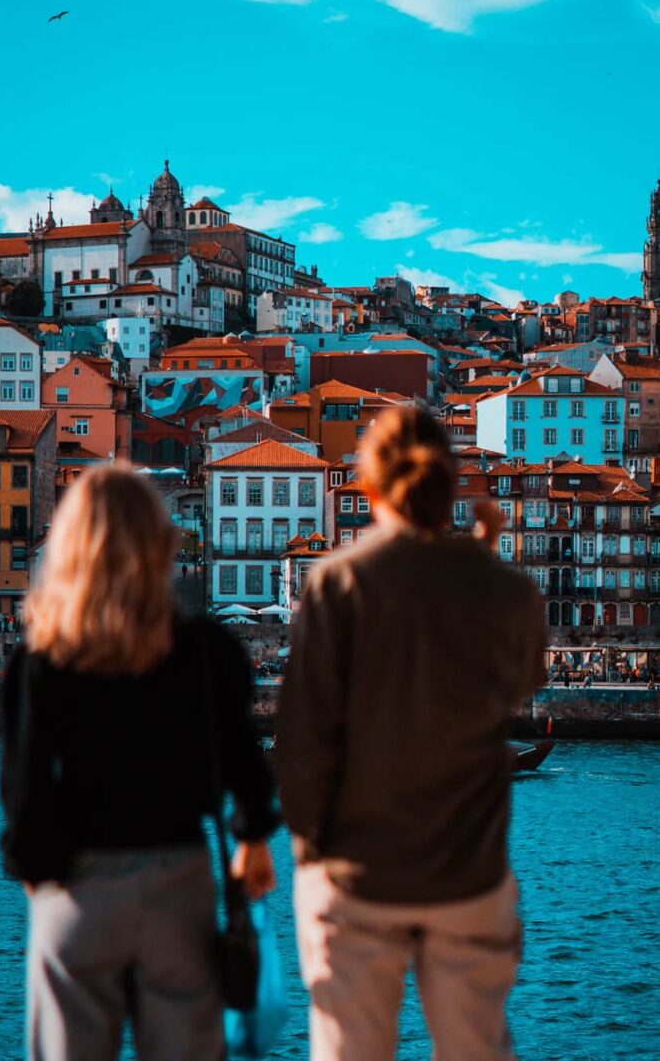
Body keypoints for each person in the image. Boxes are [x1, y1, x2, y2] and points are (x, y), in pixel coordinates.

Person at [277, 406, 547, 1061]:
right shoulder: (509, 592)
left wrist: (311, 859)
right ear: (450, 485)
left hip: (357, 876)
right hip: (467, 873)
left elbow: (302, 743)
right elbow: (516, 685)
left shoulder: (335, 583)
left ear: (366, 488)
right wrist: (480, 554)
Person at [0, 463, 279, 1061]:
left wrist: (35, 875)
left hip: (75, 887)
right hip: (176, 882)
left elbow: (23, 792)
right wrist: (253, 839)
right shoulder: (207, 650)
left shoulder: (42, 660)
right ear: (159, 544)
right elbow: (247, 769)